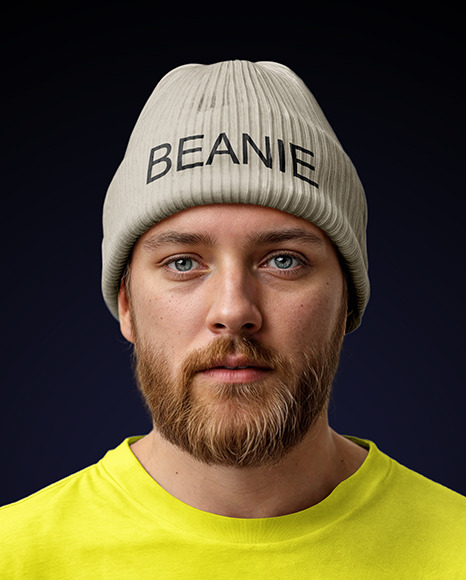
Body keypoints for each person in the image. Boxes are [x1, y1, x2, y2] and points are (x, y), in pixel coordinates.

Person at [1, 60, 465, 578]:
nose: (233, 311)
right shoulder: (15, 557)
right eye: (182, 263)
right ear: (127, 304)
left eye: (283, 260)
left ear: (348, 302)